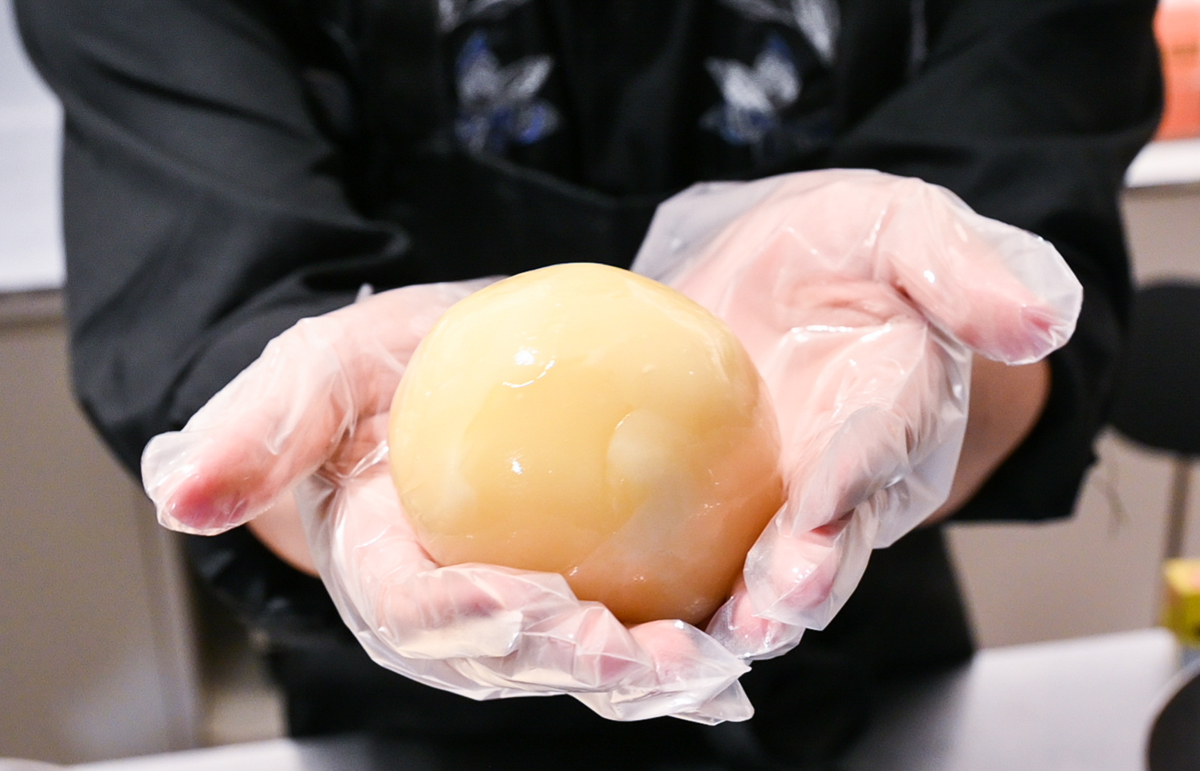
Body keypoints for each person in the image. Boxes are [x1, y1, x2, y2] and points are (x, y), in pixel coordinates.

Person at [16, 0, 1160, 768]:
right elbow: (215, 296)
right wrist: (316, 461)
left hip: (847, 617)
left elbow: (1024, 241)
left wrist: (933, 366)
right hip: (408, 696)